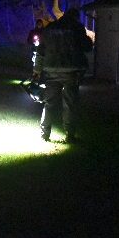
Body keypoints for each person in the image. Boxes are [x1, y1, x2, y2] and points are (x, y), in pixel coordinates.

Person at [33, 8, 93, 143]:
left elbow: (40, 51)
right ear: (76, 17)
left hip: (51, 70)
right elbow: (87, 47)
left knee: (49, 103)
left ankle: (44, 134)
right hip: (71, 71)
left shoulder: (50, 28)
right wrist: (88, 39)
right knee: (70, 103)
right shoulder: (77, 28)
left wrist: (37, 70)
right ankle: (70, 135)